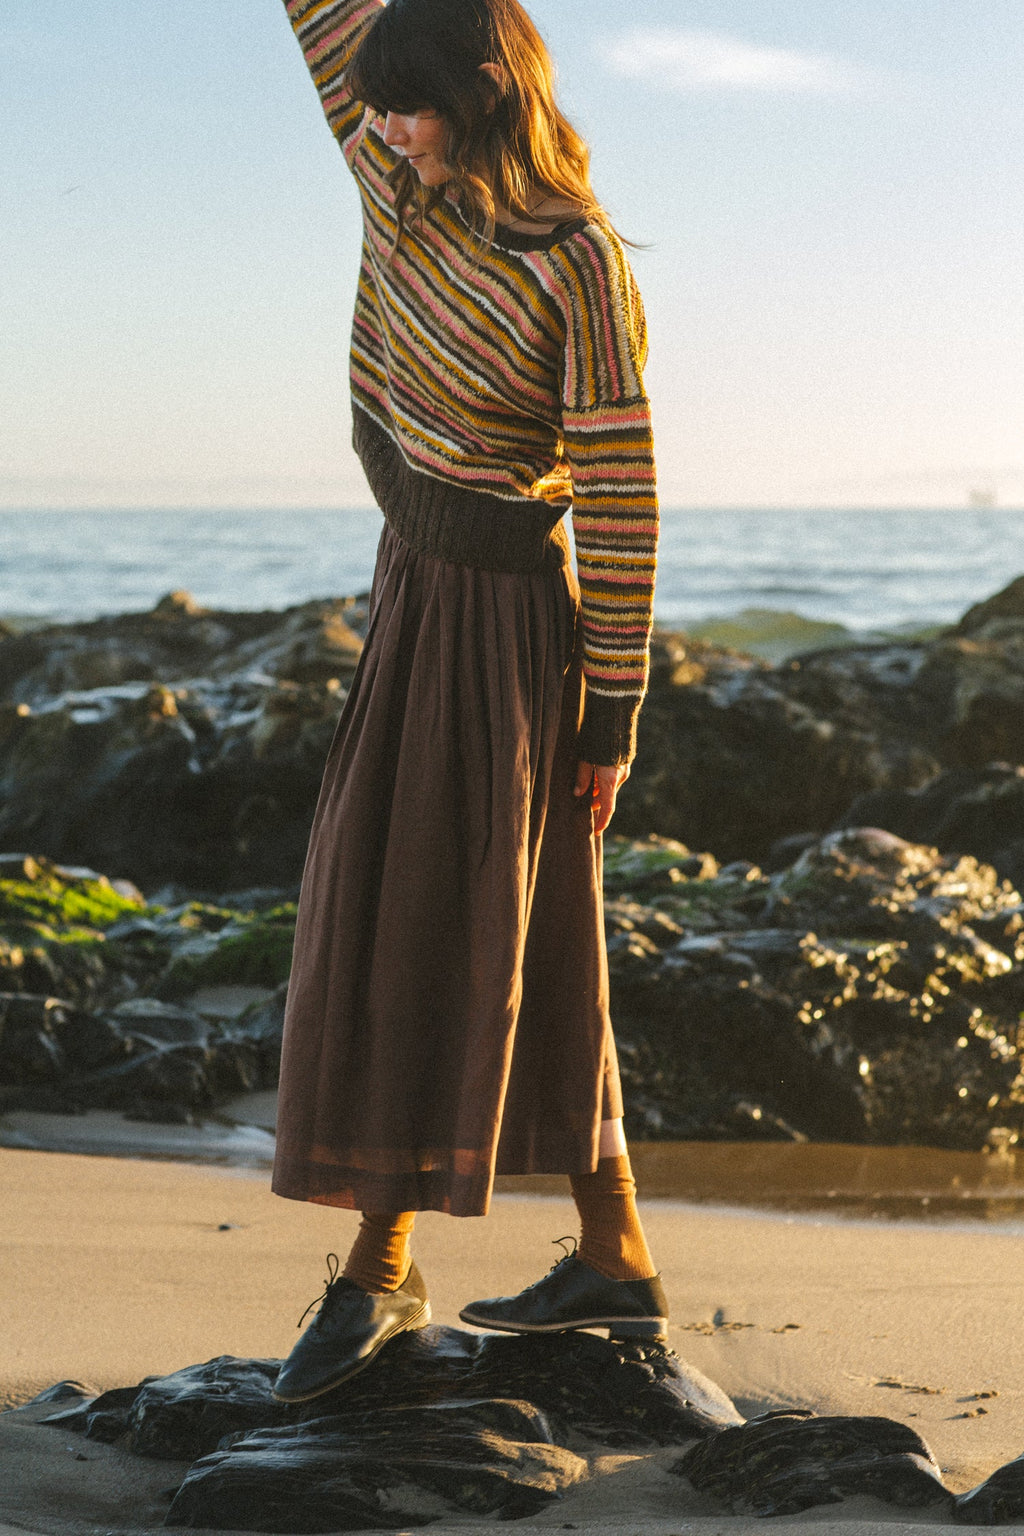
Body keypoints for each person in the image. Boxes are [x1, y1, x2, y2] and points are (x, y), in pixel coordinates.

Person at [271, 0, 663, 1403]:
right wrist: (382, 94)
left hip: (505, 623)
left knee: (433, 911)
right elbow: (326, 13)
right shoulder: (395, 173)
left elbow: (620, 493)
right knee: (522, 930)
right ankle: (615, 1253)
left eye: (411, 106)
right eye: (375, 105)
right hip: (412, 582)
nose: (382, 128)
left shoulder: (577, 262)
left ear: (486, 96)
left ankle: (382, 1269)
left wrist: (611, 714)